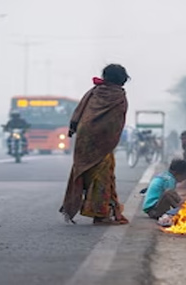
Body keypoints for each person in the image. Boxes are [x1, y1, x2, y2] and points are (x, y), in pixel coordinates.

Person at [60, 64, 130, 225]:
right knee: (103, 176)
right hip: (103, 141)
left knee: (88, 172)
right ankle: (100, 215)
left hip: (84, 138)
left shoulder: (94, 92)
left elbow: (79, 111)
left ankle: (105, 210)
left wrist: (73, 127)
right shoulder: (118, 96)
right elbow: (116, 122)